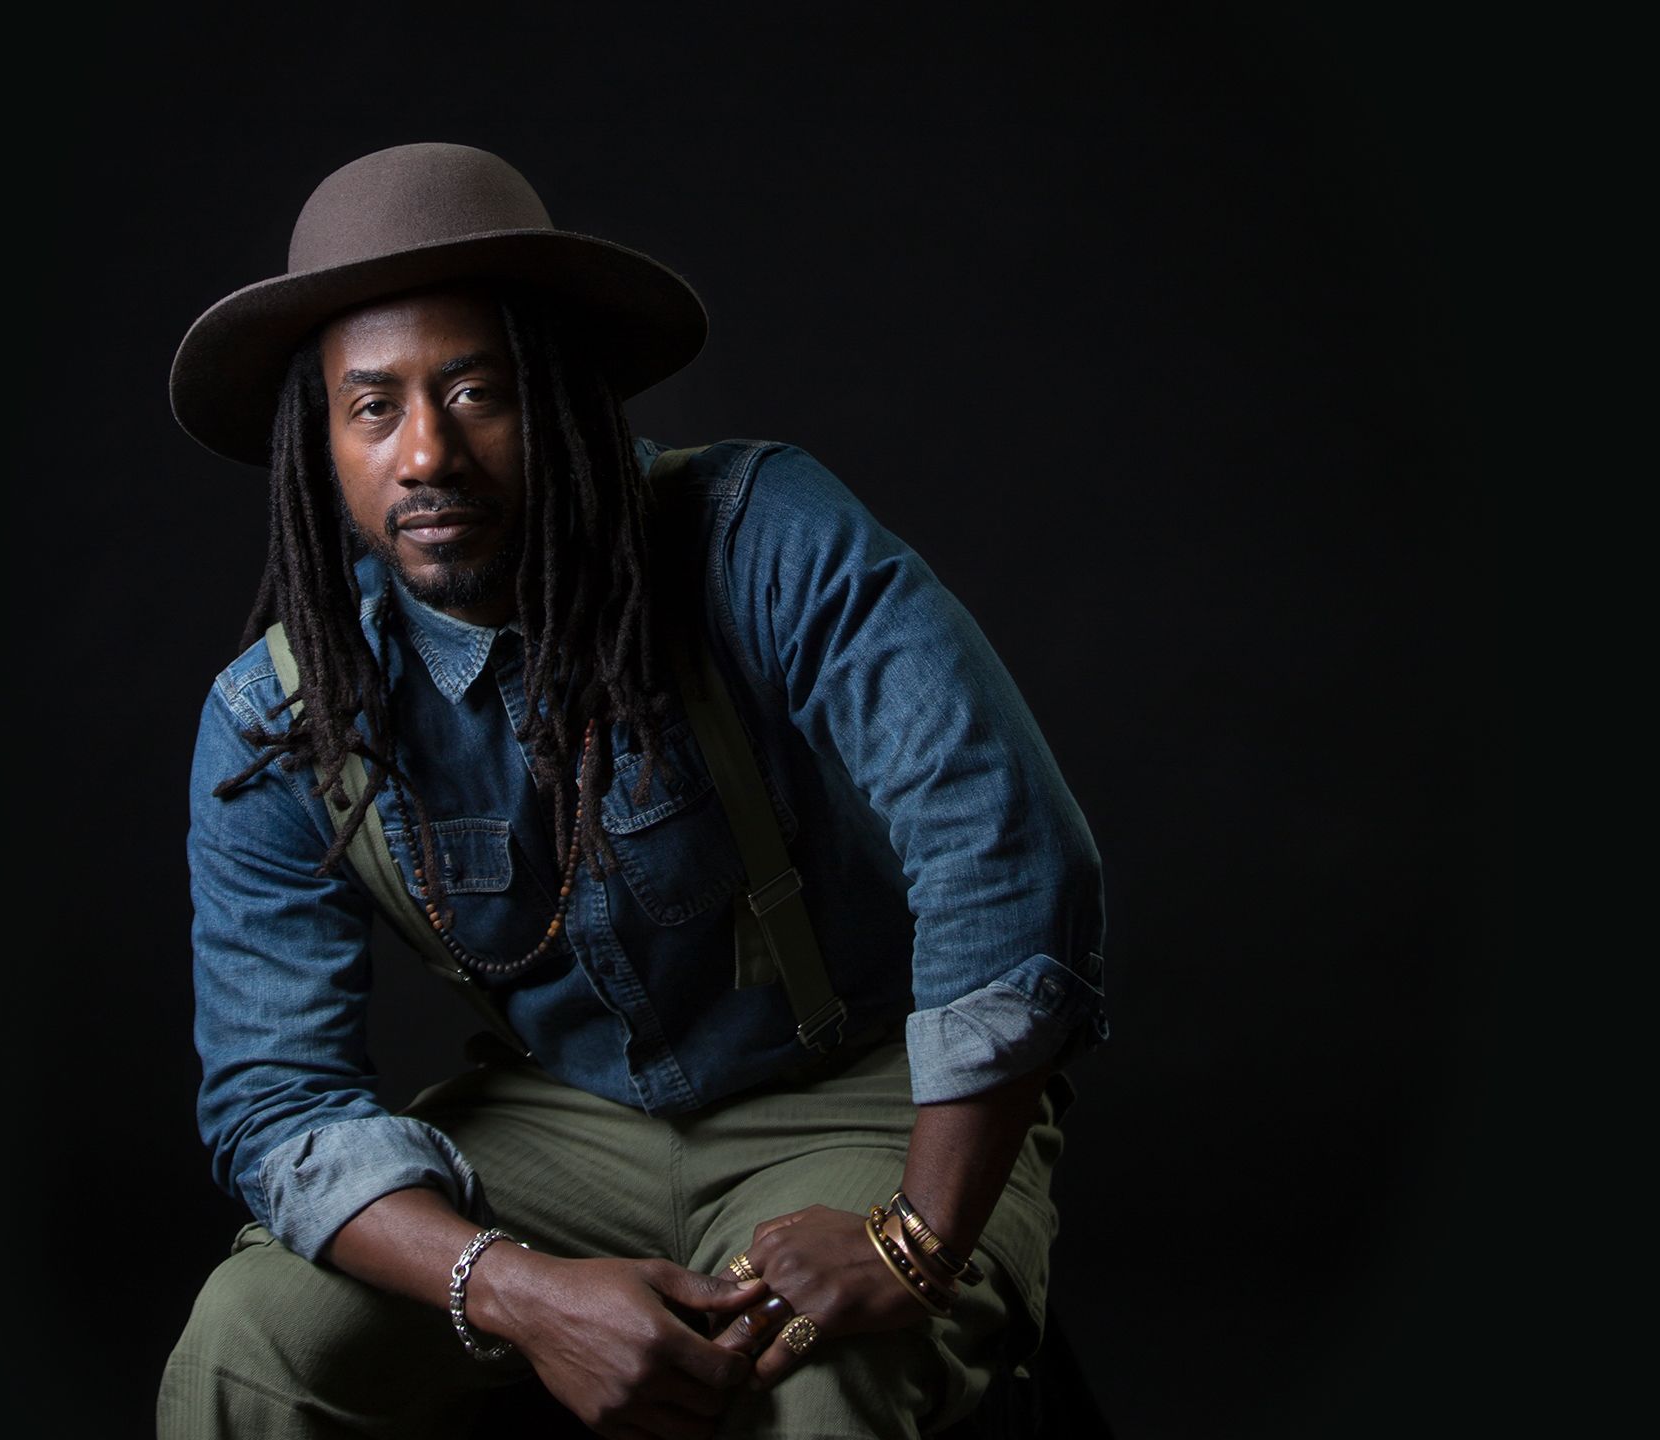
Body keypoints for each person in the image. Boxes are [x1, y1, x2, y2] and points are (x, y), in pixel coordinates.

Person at [153, 142, 1110, 1439]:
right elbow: (279, 1100)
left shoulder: (755, 534)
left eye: (475, 390)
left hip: (849, 1093)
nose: (426, 451)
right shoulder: (275, 715)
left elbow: (1006, 854)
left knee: (822, 1392)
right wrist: (516, 1289)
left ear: (556, 398)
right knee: (244, 1349)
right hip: (560, 1123)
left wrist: (917, 1239)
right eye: (372, 407)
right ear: (321, 445)